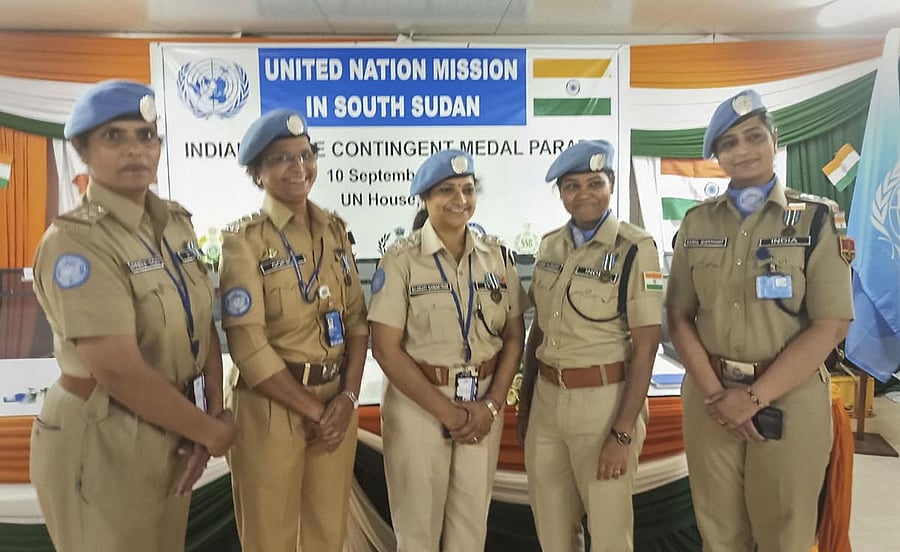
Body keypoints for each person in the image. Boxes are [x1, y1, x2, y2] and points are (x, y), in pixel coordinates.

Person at [29, 79, 237, 552]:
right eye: (114, 137)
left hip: (173, 428)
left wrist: (203, 424)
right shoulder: (76, 242)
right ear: (82, 150)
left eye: (146, 136)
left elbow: (200, 327)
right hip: (103, 433)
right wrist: (210, 431)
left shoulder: (174, 224)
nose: (135, 150)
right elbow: (118, 370)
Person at [665, 89, 853, 552]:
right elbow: (677, 314)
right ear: (717, 156)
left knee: (784, 533)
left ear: (774, 141)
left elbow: (831, 324)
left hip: (787, 396)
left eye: (753, 136)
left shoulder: (814, 219)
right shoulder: (697, 223)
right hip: (711, 400)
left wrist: (753, 397)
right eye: (728, 143)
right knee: (718, 532)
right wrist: (717, 394)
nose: (742, 150)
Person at [219, 108, 368, 552]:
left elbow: (358, 321)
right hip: (270, 405)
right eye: (282, 158)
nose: (298, 167)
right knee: (271, 539)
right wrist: (316, 410)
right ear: (258, 173)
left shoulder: (336, 232)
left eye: (305, 155)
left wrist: (347, 398)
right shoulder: (244, 241)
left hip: (335, 402)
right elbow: (247, 344)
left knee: (328, 534)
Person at [368, 149, 528, 551]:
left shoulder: (498, 257)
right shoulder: (401, 260)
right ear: (425, 197)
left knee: (470, 530)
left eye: (467, 189)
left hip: (481, 407)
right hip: (419, 406)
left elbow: (514, 335)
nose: (460, 199)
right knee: (418, 531)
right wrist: (448, 413)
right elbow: (385, 350)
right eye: (446, 190)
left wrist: (491, 406)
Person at [515, 140, 662, 552]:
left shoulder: (636, 249)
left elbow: (646, 345)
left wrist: (621, 433)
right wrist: (526, 406)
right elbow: (538, 332)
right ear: (561, 193)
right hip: (546, 402)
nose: (584, 194)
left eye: (595, 183)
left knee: (610, 533)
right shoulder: (549, 246)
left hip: (604, 404)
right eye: (572, 186)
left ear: (611, 185)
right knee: (553, 530)